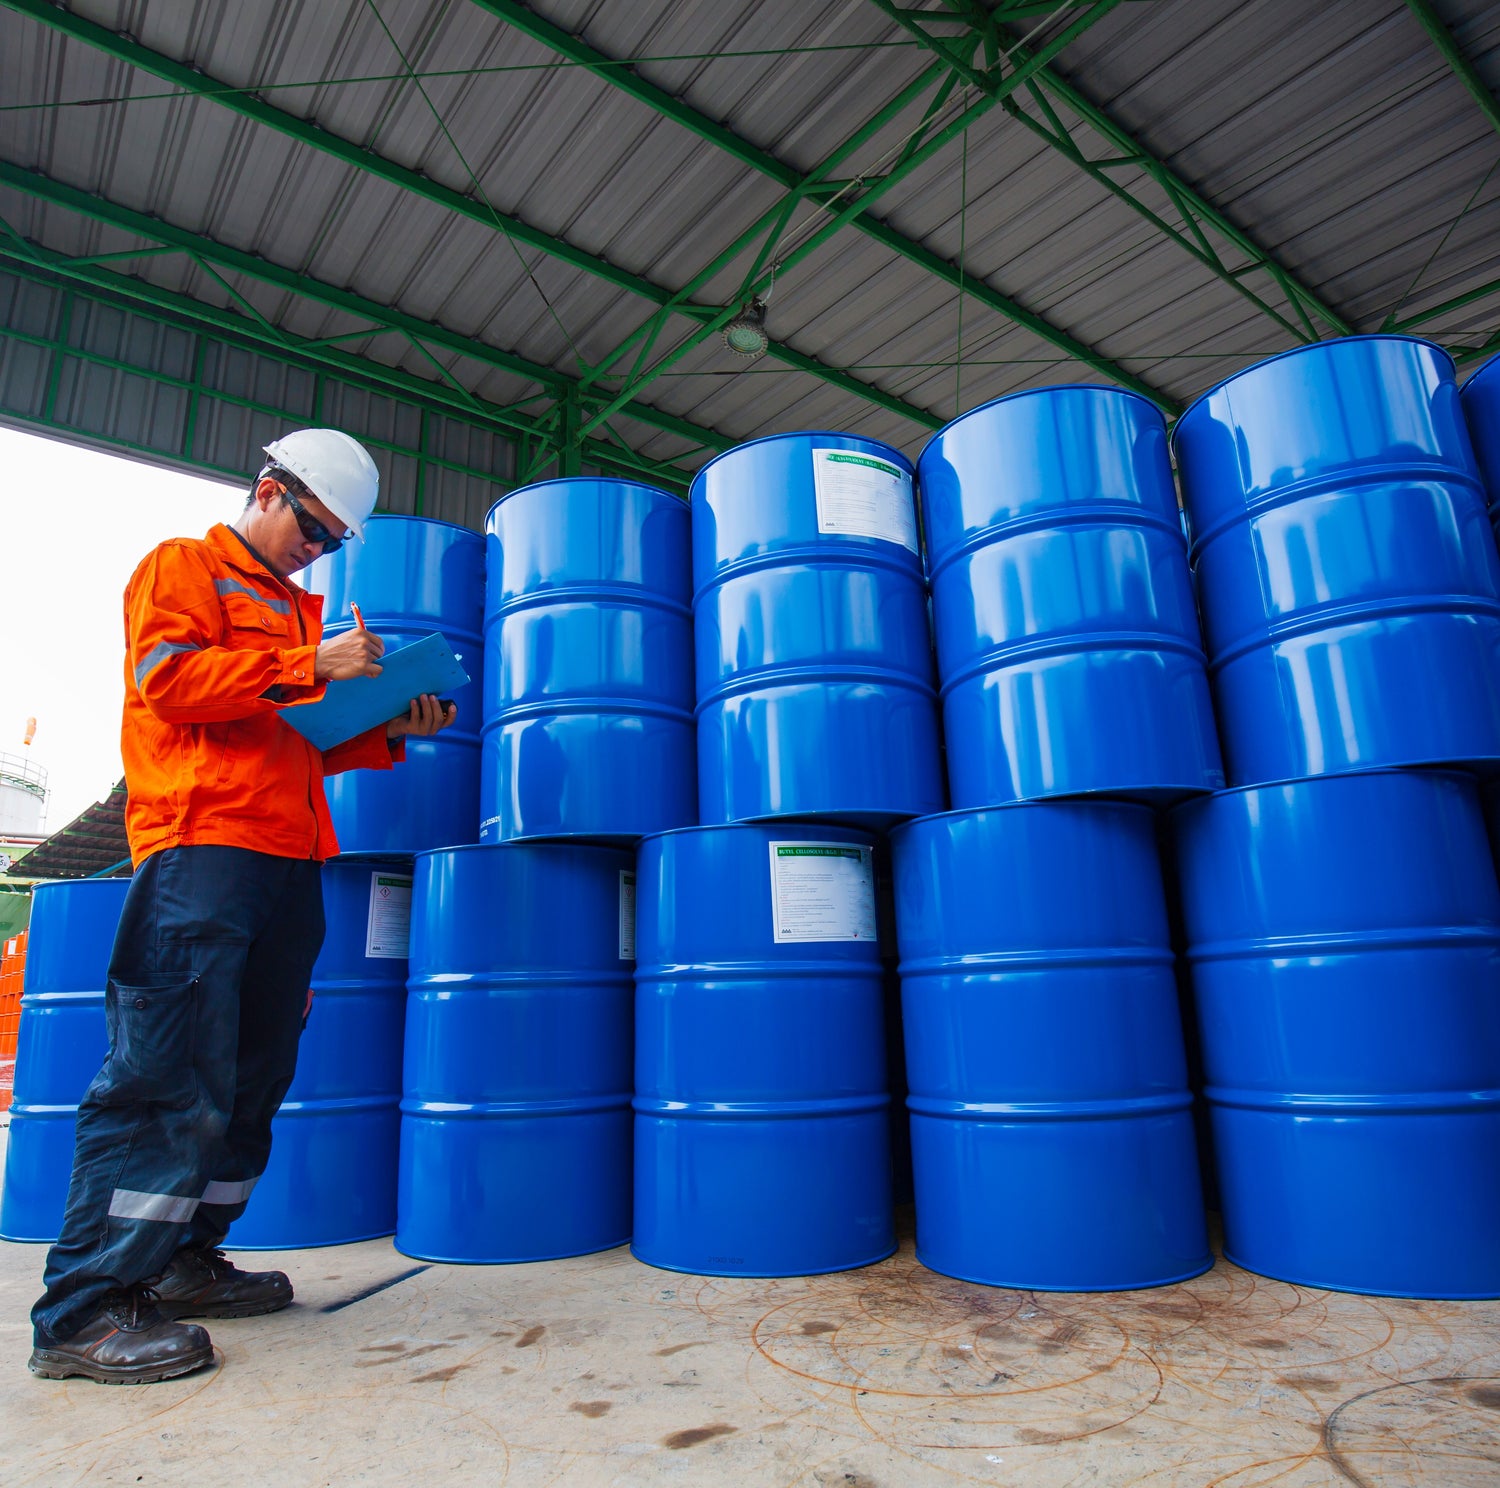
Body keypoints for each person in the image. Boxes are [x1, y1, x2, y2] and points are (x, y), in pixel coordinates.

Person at [28, 429, 456, 1385]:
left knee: (254, 1075)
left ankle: (182, 1260)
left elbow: (299, 739)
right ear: (269, 492)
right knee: (164, 1074)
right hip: (202, 852)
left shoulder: (302, 617)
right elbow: (168, 683)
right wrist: (316, 666)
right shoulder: (185, 568)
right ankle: (84, 1310)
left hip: (291, 856)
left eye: (333, 539)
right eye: (312, 526)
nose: (318, 548)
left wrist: (389, 722)